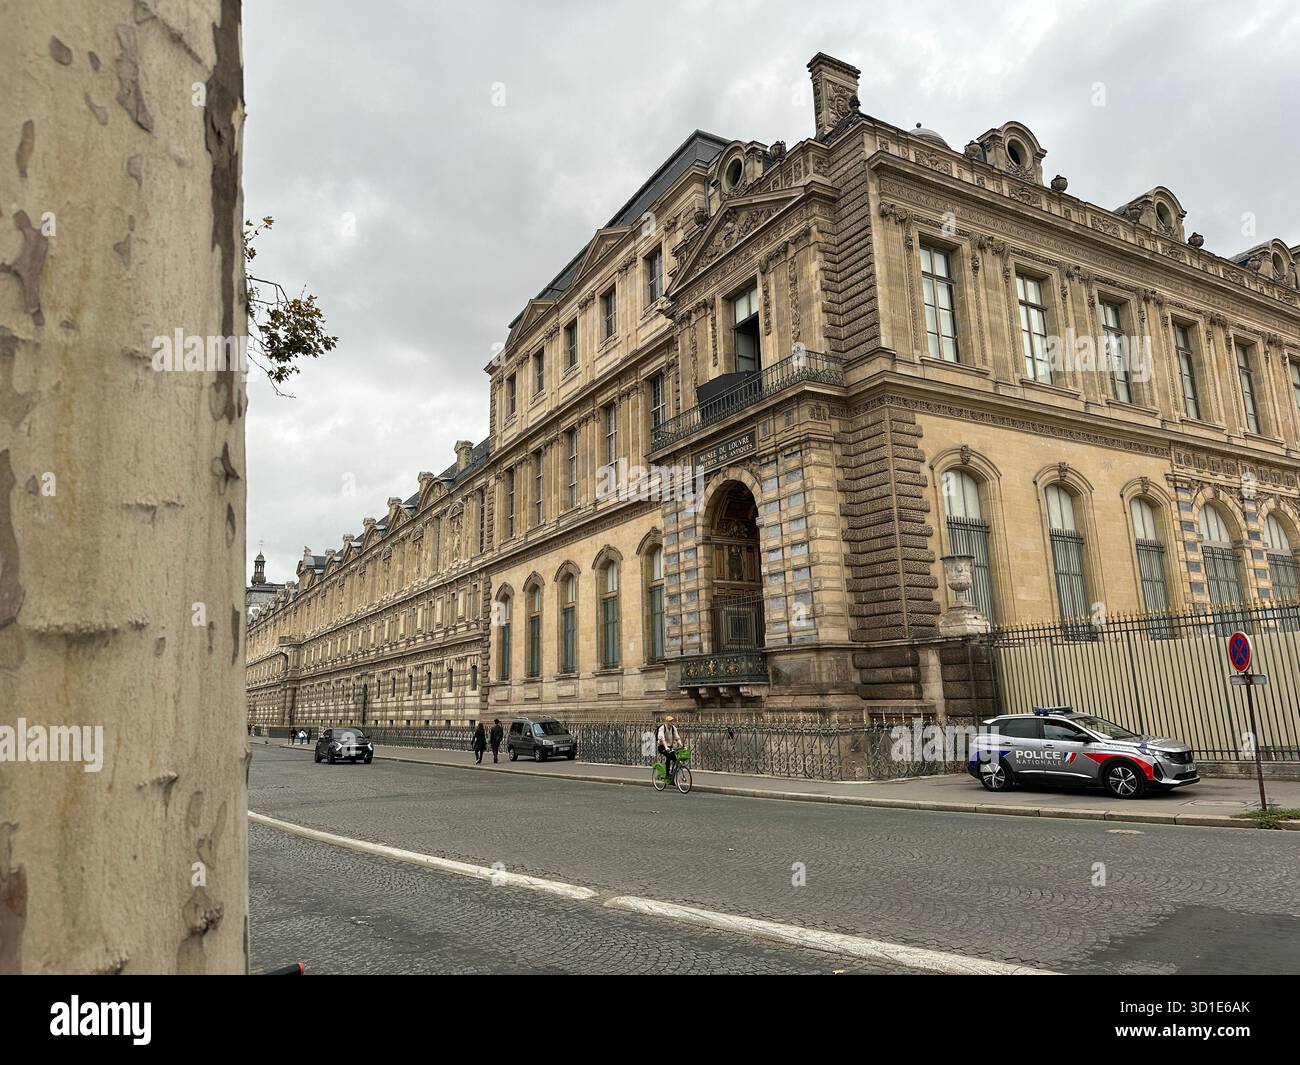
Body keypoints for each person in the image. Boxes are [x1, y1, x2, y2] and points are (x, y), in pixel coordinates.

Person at [656, 715, 682, 783]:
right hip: (662, 747)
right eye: (670, 721)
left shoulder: (673, 728)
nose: (672, 722)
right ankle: (667, 773)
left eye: (672, 721)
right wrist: (666, 747)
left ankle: (671, 775)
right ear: (667, 722)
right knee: (668, 756)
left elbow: (677, 738)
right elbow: (662, 739)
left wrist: (682, 746)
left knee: (675, 759)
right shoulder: (662, 728)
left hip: (669, 747)